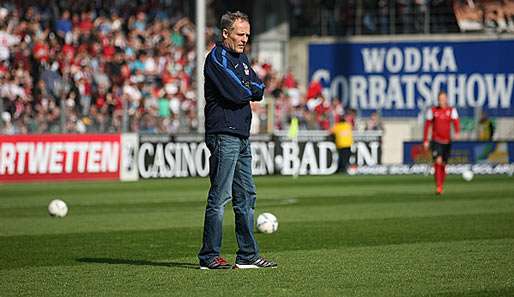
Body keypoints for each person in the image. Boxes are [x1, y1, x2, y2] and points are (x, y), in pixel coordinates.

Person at [198, 11, 277, 270]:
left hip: (241, 135)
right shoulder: (217, 58)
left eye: (247, 35)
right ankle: (209, 256)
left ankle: (247, 255)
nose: (245, 39)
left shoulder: (241, 58)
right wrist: (248, 89)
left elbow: (259, 89)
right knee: (220, 197)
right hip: (223, 133)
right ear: (225, 34)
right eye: (240, 34)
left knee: (246, 196)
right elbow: (238, 92)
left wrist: (248, 89)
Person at [423, 91, 460, 195]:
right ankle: (438, 187)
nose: (442, 101)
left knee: (443, 164)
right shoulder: (433, 111)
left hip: (447, 142)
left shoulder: (451, 110)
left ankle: (441, 185)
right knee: (437, 162)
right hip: (436, 141)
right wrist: (426, 140)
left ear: (446, 99)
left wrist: (457, 132)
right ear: (438, 100)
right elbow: (427, 125)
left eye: (443, 99)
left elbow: (456, 122)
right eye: (440, 99)